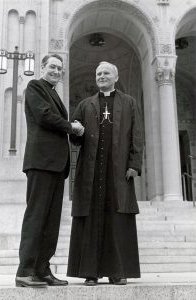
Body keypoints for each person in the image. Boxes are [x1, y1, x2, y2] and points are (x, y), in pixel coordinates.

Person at [67, 61, 143, 286]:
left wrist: (134, 164)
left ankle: (117, 272)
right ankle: (90, 272)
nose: (101, 76)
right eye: (98, 73)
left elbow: (137, 136)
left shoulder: (129, 103)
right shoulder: (86, 104)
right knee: (91, 219)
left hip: (119, 172)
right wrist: (76, 130)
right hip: (91, 171)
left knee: (117, 219)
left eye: (106, 73)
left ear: (116, 77)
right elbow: (75, 136)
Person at [15, 54, 84, 287]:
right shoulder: (35, 86)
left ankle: (43, 270)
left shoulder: (53, 92)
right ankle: (25, 271)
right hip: (41, 162)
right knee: (36, 217)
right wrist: (72, 128)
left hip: (56, 165)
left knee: (51, 221)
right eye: (52, 67)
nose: (56, 71)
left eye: (59, 68)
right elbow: (44, 117)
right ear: (42, 67)